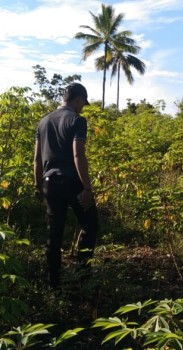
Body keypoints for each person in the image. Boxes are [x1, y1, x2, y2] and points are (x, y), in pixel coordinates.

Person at [34, 82, 98, 288]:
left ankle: (54, 284)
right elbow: (78, 154)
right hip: (72, 182)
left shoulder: (43, 122)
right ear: (78, 99)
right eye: (83, 103)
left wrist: (38, 186)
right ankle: (82, 275)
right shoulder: (77, 120)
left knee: (54, 232)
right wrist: (87, 188)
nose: (83, 107)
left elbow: (36, 159)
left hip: (49, 183)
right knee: (91, 225)